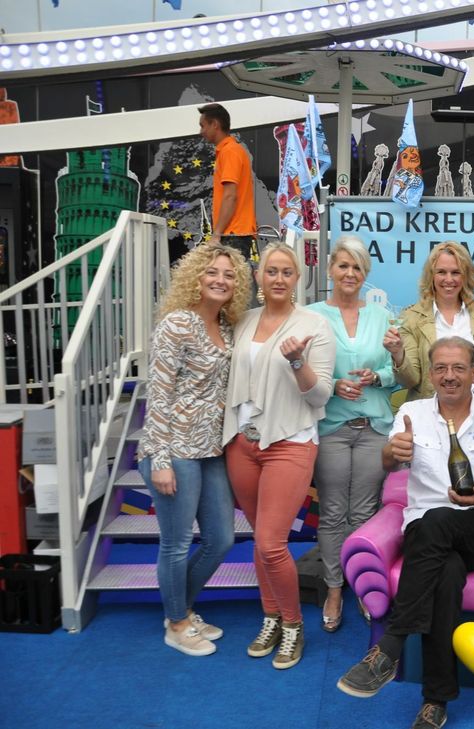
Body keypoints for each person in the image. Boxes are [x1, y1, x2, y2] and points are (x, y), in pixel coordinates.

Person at [336, 337, 474, 729]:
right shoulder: (411, 412)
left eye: (459, 367)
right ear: (431, 373)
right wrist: (393, 452)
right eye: (440, 368)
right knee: (445, 574)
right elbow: (389, 462)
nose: (449, 376)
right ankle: (436, 701)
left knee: (440, 521)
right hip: (424, 530)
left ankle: (389, 644)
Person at [222, 242, 335, 670]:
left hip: (290, 441)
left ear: (298, 278)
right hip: (243, 444)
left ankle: (292, 625)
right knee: (260, 539)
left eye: (287, 272)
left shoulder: (313, 324)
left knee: (272, 544)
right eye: (272, 271)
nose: (279, 278)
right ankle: (270, 616)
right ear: (258, 276)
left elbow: (320, 393)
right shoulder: (244, 321)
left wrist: (297, 361)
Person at [136, 243, 251, 657]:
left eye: (229, 274)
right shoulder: (177, 324)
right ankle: (178, 622)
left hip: (210, 450)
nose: (221, 280)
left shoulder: (228, 326)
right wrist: (161, 460)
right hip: (173, 450)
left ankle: (179, 608)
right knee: (177, 542)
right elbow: (160, 394)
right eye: (212, 273)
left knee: (220, 538)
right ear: (195, 279)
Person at [306, 235, 395, 633]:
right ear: (330, 269)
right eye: (343, 265)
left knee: (364, 513)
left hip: (375, 426)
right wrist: (334, 383)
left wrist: (378, 375)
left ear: (366, 275)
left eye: (357, 267)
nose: (349, 273)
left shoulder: (383, 317)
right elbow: (303, 374)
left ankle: (361, 584)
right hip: (332, 427)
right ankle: (334, 588)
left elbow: (398, 376)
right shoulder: (310, 316)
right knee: (332, 513)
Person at [387, 242, 474, 400]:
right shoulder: (411, 318)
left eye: (456, 272)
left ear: (465, 276)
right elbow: (409, 381)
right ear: (431, 276)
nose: (448, 279)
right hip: (431, 408)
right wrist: (398, 354)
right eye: (441, 272)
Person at [198, 102, 257, 263]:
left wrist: (216, 234)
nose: (201, 131)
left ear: (215, 124)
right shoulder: (229, 150)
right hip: (233, 232)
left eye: (203, 126)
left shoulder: (230, 151)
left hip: (233, 233)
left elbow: (230, 196)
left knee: (234, 284)